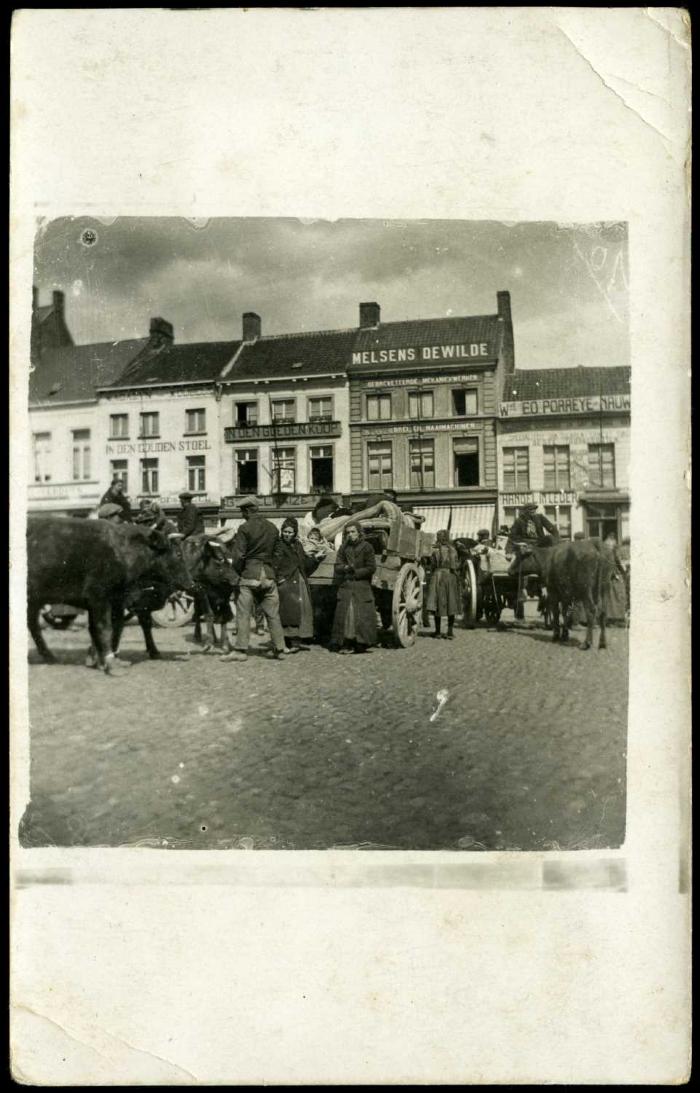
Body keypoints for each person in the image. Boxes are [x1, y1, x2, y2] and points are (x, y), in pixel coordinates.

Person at [219, 497, 287, 662]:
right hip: (269, 576)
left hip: (250, 575)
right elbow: (279, 553)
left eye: (243, 511)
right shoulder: (272, 527)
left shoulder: (244, 528)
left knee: (243, 613)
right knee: (273, 614)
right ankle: (279, 648)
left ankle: (241, 650)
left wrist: (236, 573)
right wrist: (273, 571)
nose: (242, 515)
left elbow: (239, 555)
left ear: (248, 510)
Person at [272, 517, 325, 651]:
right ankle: (286, 641)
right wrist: (279, 579)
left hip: (299, 581)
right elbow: (274, 565)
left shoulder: (298, 545)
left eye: (290, 532)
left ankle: (296, 641)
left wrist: (315, 559)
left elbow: (304, 564)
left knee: (301, 611)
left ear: (295, 533)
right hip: (287, 583)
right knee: (288, 612)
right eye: (285, 532)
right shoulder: (278, 545)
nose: (287, 535)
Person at [330, 522, 378, 654]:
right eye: (348, 533)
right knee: (345, 615)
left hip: (361, 585)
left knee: (361, 614)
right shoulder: (344, 548)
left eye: (353, 532)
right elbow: (337, 565)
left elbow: (371, 567)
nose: (350, 535)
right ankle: (346, 642)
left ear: (359, 533)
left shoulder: (367, 547)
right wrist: (344, 568)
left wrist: (355, 572)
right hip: (346, 585)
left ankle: (361, 643)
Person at [425, 529, 461, 639]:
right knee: (451, 603)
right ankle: (450, 632)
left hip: (437, 576)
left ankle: (438, 632)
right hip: (450, 577)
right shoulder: (453, 550)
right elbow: (455, 566)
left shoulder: (434, 550)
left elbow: (431, 565)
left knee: (437, 604)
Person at [601, 531, 628, 625]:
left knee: (609, 597)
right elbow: (618, 564)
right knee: (618, 595)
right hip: (614, 575)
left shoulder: (604, 548)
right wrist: (623, 571)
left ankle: (609, 618)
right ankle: (616, 618)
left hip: (607, 576)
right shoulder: (613, 552)